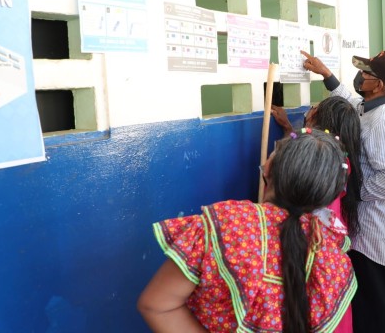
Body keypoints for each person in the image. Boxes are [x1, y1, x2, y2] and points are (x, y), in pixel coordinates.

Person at [137, 129, 357, 333]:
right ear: (327, 195)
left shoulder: (226, 226)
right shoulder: (330, 253)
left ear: (268, 168)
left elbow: (157, 306)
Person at [301, 49, 385, 333]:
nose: (360, 76)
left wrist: (350, 193)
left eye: (366, 73)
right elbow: (352, 106)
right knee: (384, 288)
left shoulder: (382, 121)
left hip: (374, 224)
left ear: (378, 85)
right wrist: (328, 75)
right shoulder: (375, 106)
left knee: (375, 300)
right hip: (376, 223)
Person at [271, 96, 363, 333]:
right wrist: (288, 130)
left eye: (316, 107)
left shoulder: (272, 233)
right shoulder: (339, 158)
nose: (311, 108)